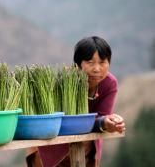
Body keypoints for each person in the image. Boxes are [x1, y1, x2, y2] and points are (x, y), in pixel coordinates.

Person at [26, 36, 126, 167]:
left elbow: (103, 115)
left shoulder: (109, 83)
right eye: (90, 62)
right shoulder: (66, 81)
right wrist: (102, 122)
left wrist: (110, 121)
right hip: (51, 148)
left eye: (102, 62)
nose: (97, 69)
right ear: (77, 65)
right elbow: (63, 122)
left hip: (86, 149)